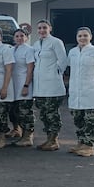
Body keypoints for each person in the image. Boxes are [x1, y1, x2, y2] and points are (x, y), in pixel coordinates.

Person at [67, 27, 94, 157]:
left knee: (91, 119)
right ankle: (81, 143)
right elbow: (70, 69)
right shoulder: (73, 52)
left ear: (90, 37)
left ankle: (89, 146)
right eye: (80, 36)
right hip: (76, 91)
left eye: (85, 35)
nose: (82, 38)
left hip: (91, 91)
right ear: (76, 37)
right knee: (78, 118)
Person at [32, 19, 68, 151]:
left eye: (44, 28)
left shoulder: (56, 42)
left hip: (53, 85)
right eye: (39, 28)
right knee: (44, 114)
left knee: (52, 114)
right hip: (40, 87)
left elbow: (63, 61)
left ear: (50, 28)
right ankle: (48, 138)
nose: (42, 30)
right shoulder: (36, 44)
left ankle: (54, 140)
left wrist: (56, 73)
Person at [11, 29, 36, 147]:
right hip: (14, 85)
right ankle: (20, 132)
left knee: (25, 112)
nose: (19, 38)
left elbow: (30, 69)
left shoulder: (29, 50)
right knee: (17, 112)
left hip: (24, 85)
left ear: (26, 37)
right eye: (17, 36)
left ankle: (28, 136)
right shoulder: (12, 50)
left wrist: (26, 85)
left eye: (22, 36)